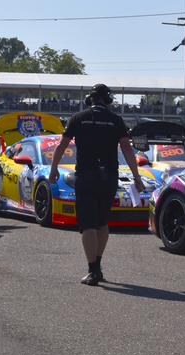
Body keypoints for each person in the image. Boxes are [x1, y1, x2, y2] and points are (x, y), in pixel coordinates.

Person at [49, 84, 145, 286]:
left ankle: (93, 270)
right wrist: (137, 177)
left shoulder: (78, 118)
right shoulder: (116, 120)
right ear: (107, 100)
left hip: (86, 176)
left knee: (88, 224)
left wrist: (54, 168)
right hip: (109, 176)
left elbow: (62, 145)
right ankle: (98, 265)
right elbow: (127, 150)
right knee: (102, 222)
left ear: (89, 99)